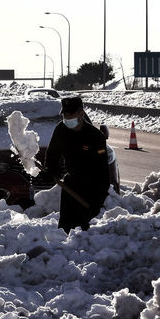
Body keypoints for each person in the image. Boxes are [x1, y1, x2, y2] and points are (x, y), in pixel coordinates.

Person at [45, 96, 110, 233]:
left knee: (83, 231)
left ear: (81, 113)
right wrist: (51, 171)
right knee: (65, 227)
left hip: (91, 187)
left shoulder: (95, 136)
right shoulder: (61, 130)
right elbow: (52, 154)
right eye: (65, 114)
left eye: (71, 113)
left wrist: (98, 200)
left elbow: (103, 171)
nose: (67, 117)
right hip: (71, 184)